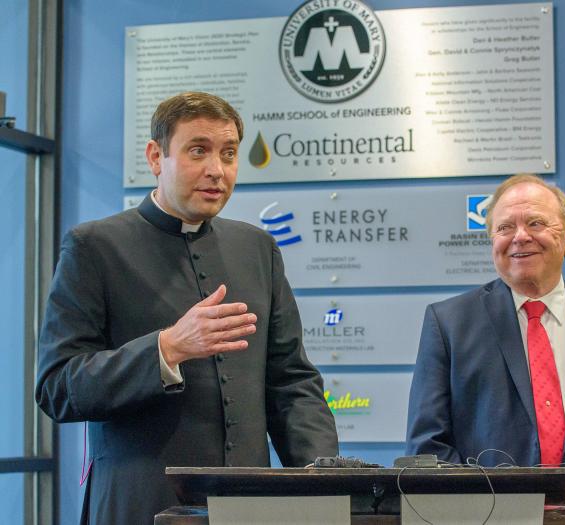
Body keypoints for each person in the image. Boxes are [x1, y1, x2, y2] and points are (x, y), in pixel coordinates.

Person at [35, 92, 338, 524]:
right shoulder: (94, 248)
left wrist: (321, 481)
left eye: (229, 153)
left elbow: (291, 383)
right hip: (139, 507)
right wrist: (166, 349)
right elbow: (57, 388)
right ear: (156, 157)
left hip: (249, 509)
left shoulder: (257, 248)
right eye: (199, 150)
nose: (217, 169)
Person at [405, 174, 565, 524]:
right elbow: (428, 448)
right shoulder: (448, 325)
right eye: (505, 227)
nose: (520, 236)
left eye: (536, 223)